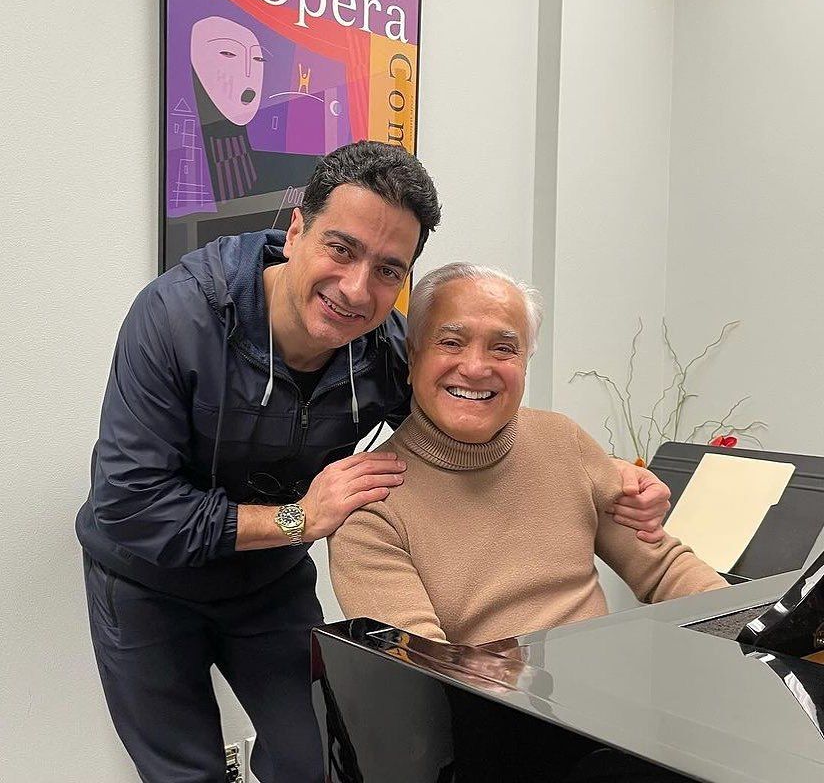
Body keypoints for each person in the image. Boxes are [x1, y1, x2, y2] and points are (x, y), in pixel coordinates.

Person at [77, 142, 671, 783]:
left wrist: (609, 475)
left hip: (266, 583)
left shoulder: (383, 350)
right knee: (184, 774)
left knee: (322, 761)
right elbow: (130, 505)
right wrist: (298, 520)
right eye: (341, 249)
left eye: (388, 269)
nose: (356, 289)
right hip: (147, 580)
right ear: (296, 229)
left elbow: (468, 413)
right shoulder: (178, 317)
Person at [329, 263, 728, 647]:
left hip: (608, 680)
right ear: (413, 357)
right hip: (485, 693)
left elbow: (665, 568)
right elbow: (423, 666)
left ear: (525, 363)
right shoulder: (370, 503)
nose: (475, 368)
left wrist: (749, 634)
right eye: (451, 343)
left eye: (503, 349)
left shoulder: (564, 441)